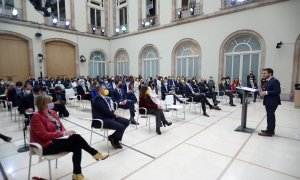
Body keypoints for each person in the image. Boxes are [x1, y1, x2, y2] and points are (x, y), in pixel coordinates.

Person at [30, 94, 109, 180]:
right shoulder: (36, 117)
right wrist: (64, 134)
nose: (52, 103)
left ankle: (77, 174)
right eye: (49, 102)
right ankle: (94, 155)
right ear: (42, 104)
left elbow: (60, 126)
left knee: (76, 144)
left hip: (56, 140)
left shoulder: (52, 112)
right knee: (77, 138)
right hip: (45, 145)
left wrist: (66, 133)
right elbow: (44, 135)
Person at [259, 68, 281, 137]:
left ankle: (270, 132)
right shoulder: (268, 81)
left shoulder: (275, 81)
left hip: (272, 102)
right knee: (269, 116)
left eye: (265, 73)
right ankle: (269, 129)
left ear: (270, 73)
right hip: (268, 101)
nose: (263, 75)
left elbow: (277, 91)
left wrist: (265, 92)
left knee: (270, 116)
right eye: (263, 73)